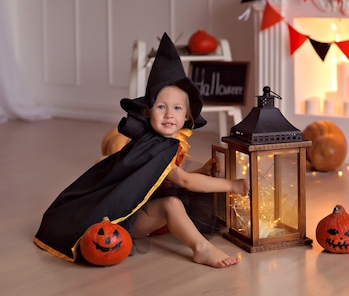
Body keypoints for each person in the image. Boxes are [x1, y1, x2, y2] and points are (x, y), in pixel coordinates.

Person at [34, 33, 249, 268]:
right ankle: (201, 248)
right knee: (172, 205)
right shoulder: (155, 146)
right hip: (125, 218)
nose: (169, 114)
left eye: (177, 108)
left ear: (187, 116)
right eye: (161, 107)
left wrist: (202, 170)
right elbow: (184, 181)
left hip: (142, 206)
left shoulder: (164, 144)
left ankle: (195, 239)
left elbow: (161, 179)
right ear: (148, 112)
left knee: (175, 201)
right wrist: (233, 185)